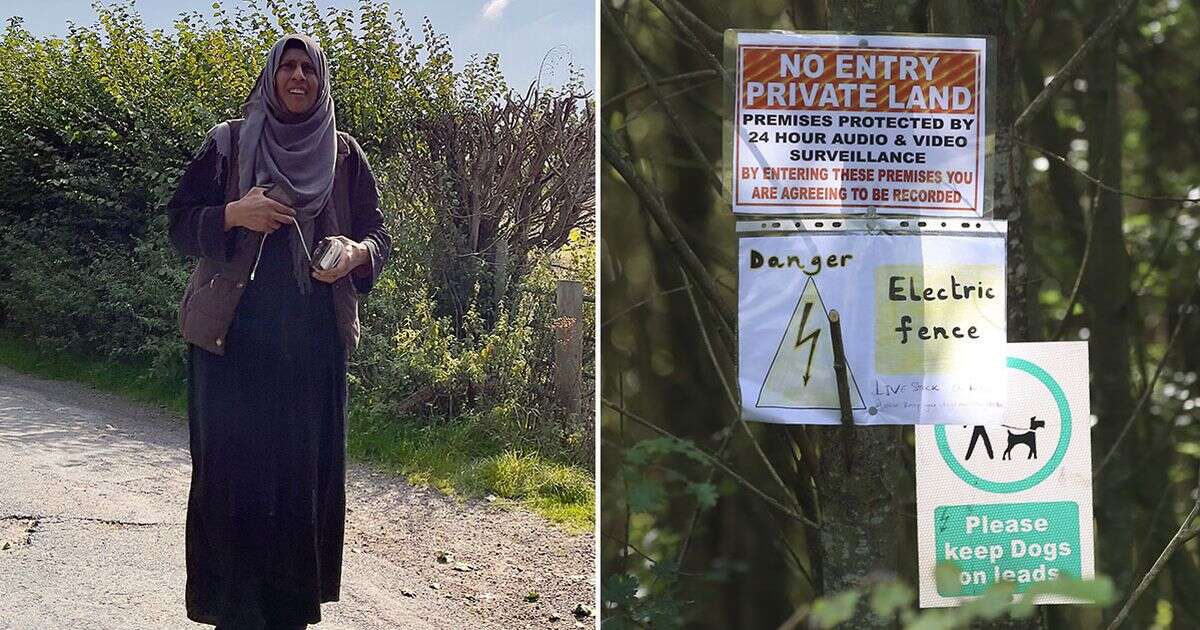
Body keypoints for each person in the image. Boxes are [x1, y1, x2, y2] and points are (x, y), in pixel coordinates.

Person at [166, 33, 390, 630]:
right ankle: (233, 612)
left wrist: (354, 252)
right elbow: (180, 223)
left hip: (312, 350)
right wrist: (234, 214)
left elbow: (379, 237)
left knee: (301, 483)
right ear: (270, 77)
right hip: (230, 346)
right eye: (286, 67)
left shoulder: (344, 156)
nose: (298, 77)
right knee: (230, 477)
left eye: (308, 69)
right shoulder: (230, 142)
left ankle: (290, 613)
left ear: (321, 81)